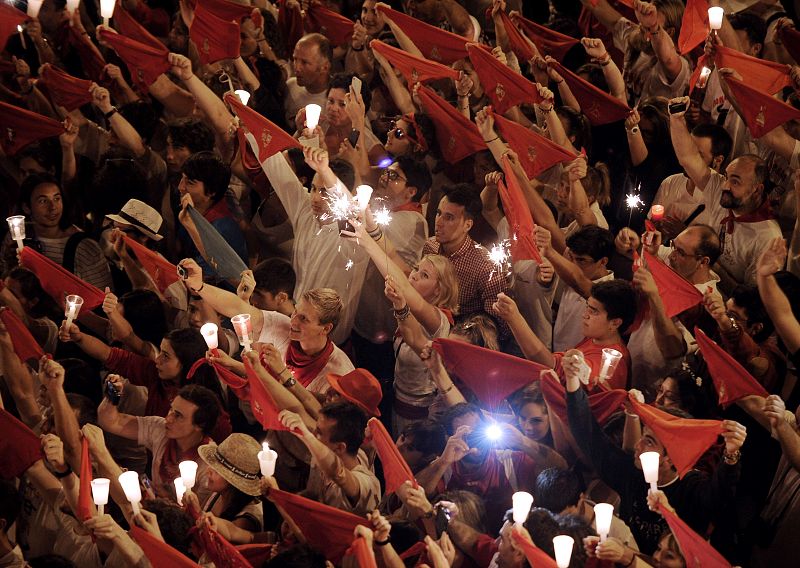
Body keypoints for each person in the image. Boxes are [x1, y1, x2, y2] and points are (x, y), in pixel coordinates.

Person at [562, 347, 747, 555]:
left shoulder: (692, 490)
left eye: (649, 442)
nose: (638, 445)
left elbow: (721, 493)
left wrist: (731, 453)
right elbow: (589, 437)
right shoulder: (632, 475)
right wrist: (572, 381)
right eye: (643, 436)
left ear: (671, 458)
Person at [669, 98, 782, 289]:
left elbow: (751, 297)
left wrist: (712, 267)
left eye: (735, 181)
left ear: (757, 189)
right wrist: (677, 117)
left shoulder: (768, 238)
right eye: (727, 177)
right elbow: (688, 158)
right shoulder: (720, 191)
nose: (725, 185)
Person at [97, 384, 221, 503]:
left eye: (178, 416)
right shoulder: (161, 429)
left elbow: (201, 515)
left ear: (200, 425)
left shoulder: (210, 464)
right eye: (171, 409)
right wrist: (113, 394)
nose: (168, 418)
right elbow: (110, 422)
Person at [2, 174, 112, 290]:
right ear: (26, 207)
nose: (53, 207)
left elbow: (104, 297)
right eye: (43, 201)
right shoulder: (16, 235)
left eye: (57, 199)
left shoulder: (84, 247)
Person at [422, 184, 510, 329]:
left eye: (449, 218)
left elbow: (497, 323)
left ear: (467, 225)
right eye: (439, 213)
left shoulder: (485, 265)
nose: (438, 222)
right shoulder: (430, 246)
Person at [278, 402, 381, 515]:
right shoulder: (325, 451)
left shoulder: (368, 484)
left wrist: (306, 436)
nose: (313, 433)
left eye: (319, 433)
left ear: (340, 447)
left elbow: (338, 473)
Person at [196, 433, 264, 532]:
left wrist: (196, 511)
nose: (208, 470)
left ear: (234, 481)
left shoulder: (245, 520)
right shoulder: (219, 493)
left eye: (217, 470)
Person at [285, 33, 332, 128]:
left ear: (325, 67)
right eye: (295, 59)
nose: (297, 68)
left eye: (304, 62)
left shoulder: (338, 101)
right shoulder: (290, 87)